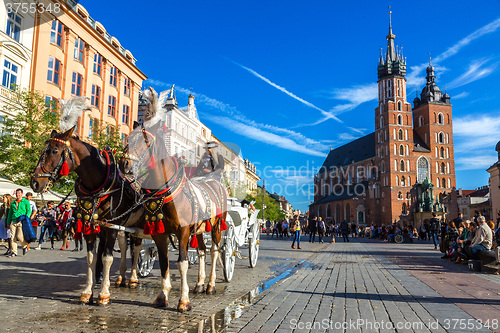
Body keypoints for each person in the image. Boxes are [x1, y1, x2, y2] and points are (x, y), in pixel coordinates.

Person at [6, 189, 31, 257]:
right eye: (17, 193)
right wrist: (8, 222)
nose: (18, 195)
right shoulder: (13, 203)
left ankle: (24, 246)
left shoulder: (25, 202)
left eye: (19, 193)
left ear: (22, 194)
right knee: (12, 237)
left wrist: (26, 218)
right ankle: (14, 251)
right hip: (13, 221)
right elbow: (10, 213)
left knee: (19, 236)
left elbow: (29, 211)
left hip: (21, 220)